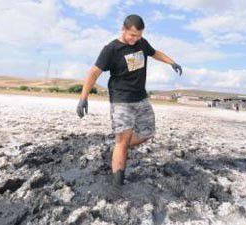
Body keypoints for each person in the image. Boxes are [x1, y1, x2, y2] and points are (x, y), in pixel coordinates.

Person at [76, 14, 183, 187]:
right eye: (132, 35)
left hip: (141, 98)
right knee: (122, 142)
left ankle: (120, 147)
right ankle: (117, 184)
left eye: (139, 35)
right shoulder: (111, 49)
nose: (135, 39)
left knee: (148, 132)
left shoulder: (142, 43)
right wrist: (83, 97)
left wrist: (172, 62)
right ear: (123, 29)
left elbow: (155, 53)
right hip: (121, 100)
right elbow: (94, 72)